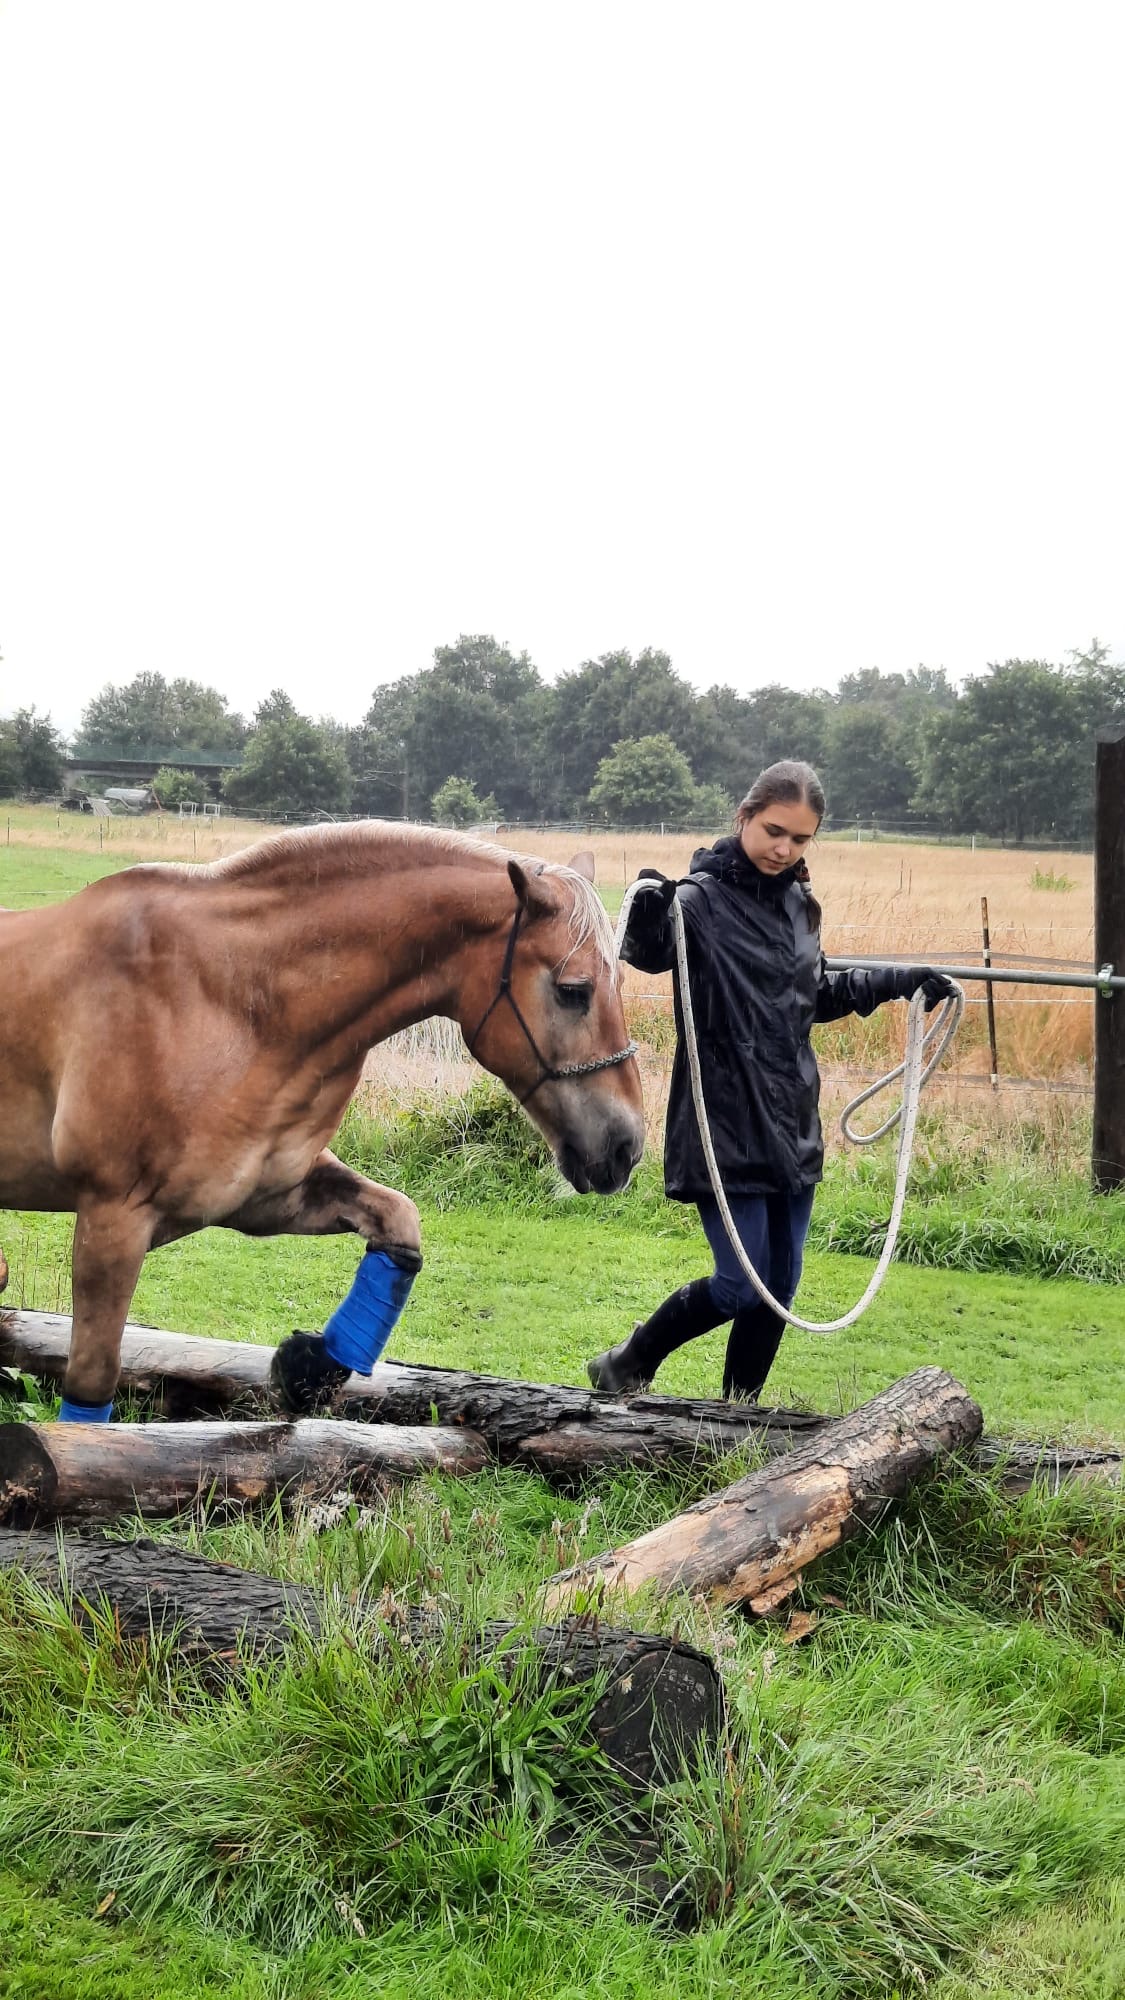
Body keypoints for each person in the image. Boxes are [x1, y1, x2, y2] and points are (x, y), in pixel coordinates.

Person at [587, 761, 955, 1402]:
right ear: (745, 818)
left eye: (801, 839)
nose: (785, 849)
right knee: (738, 1283)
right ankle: (629, 1359)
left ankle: (740, 1414)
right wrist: (649, 903)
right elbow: (647, 952)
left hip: (791, 1119)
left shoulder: (797, 905)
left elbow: (813, 994)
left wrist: (902, 980)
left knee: (780, 1288)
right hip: (721, 1119)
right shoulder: (697, 901)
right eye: (774, 831)